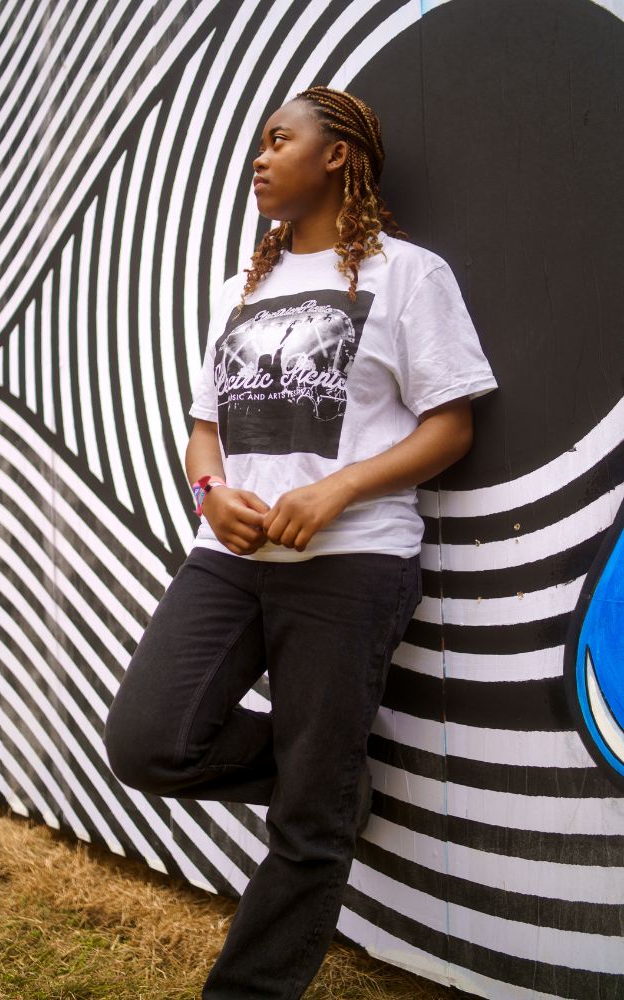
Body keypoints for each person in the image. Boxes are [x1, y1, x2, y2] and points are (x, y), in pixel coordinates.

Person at [104, 86, 497, 999]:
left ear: (336, 155)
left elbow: (450, 428)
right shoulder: (242, 291)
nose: (259, 156)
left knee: (304, 831)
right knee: (148, 740)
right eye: (258, 144)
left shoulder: (409, 275)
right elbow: (204, 429)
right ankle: (327, 780)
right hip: (232, 563)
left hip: (353, 565)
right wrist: (208, 492)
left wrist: (337, 489)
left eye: (279, 140)